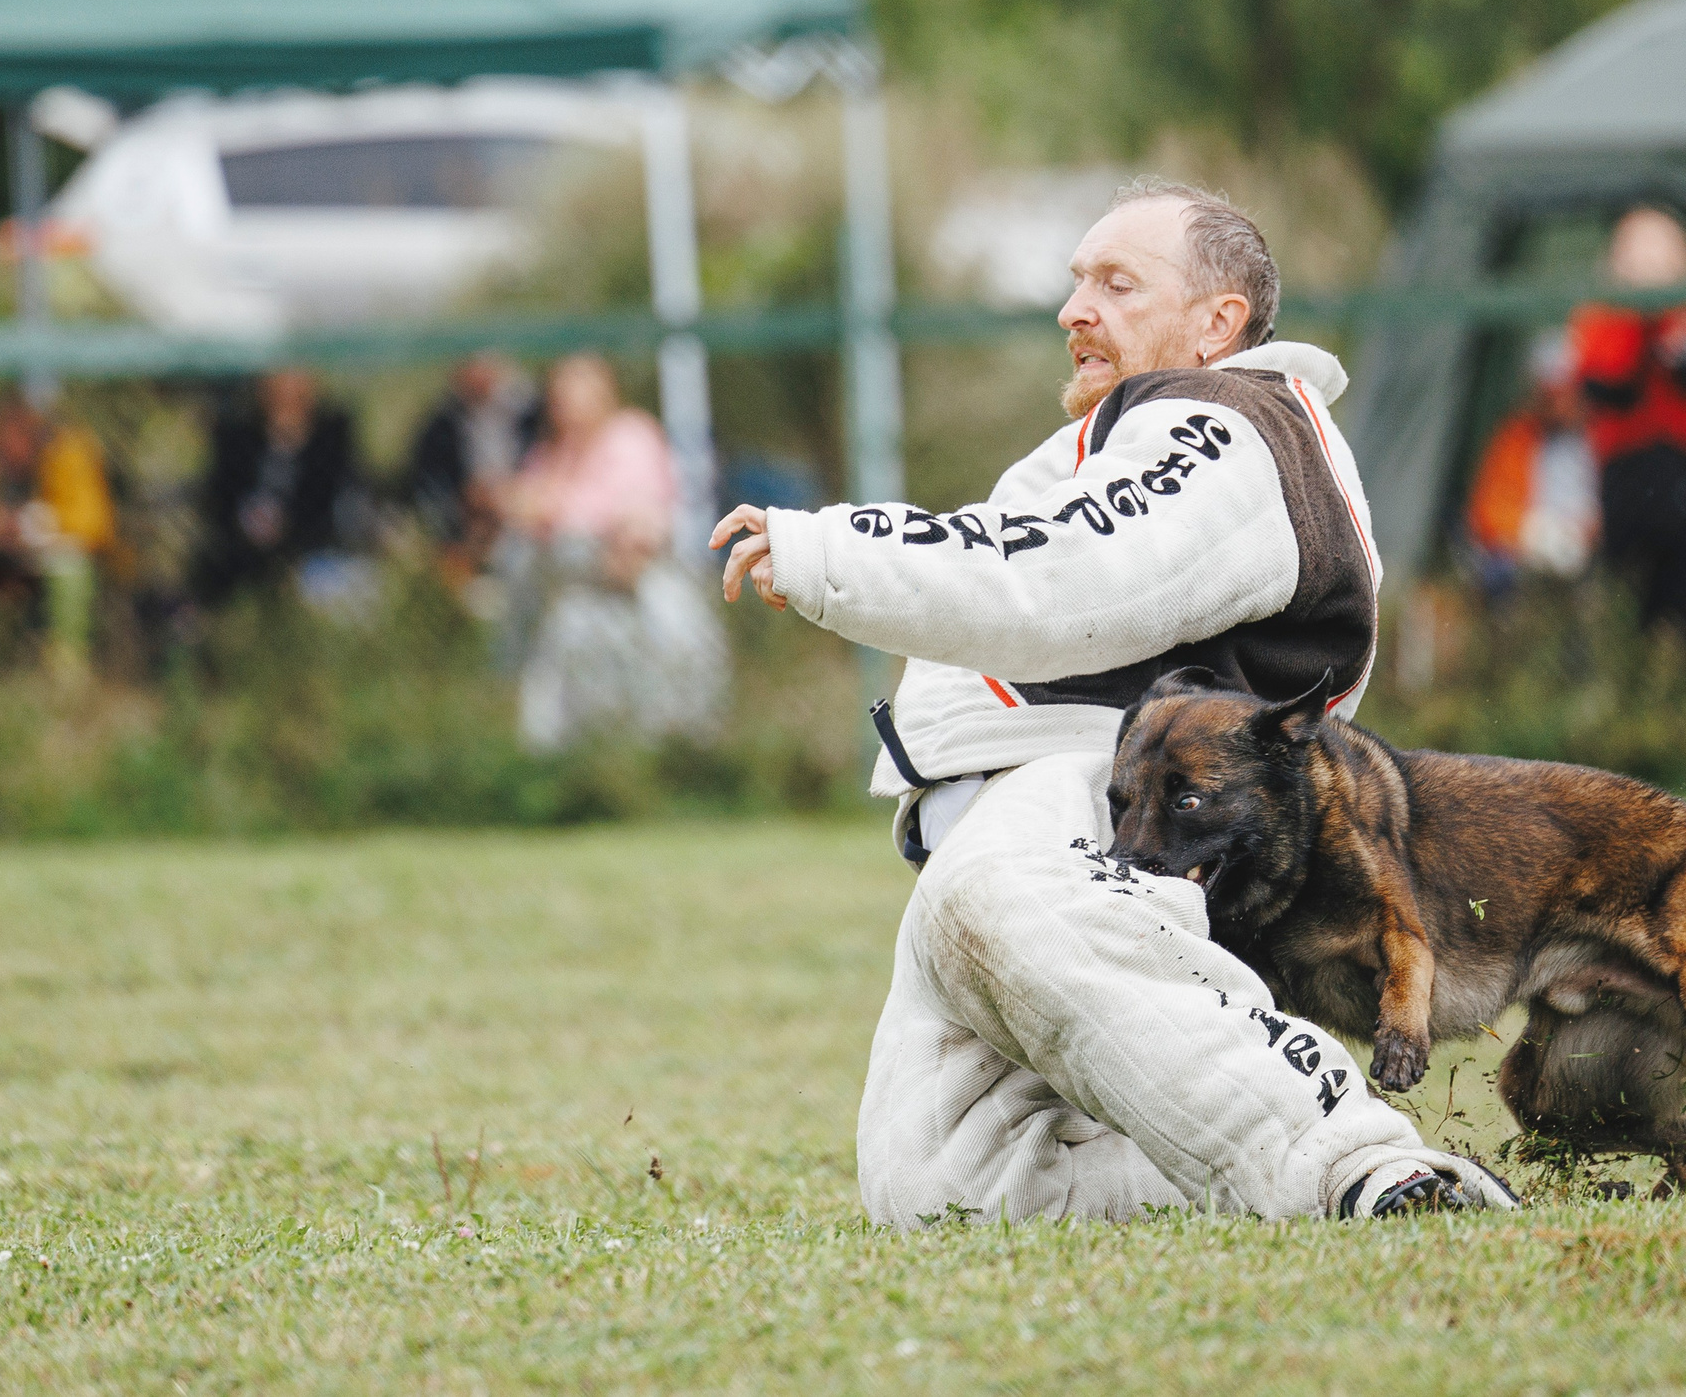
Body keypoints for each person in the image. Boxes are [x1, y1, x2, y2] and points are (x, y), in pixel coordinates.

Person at [711, 180, 1518, 1226]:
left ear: (1217, 321)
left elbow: (1066, 579)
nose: (1073, 309)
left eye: (1117, 283)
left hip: (1120, 793)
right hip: (1036, 811)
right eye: (1075, 280)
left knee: (991, 895)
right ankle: (1255, 1163)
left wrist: (834, 548)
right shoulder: (1153, 429)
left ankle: (1364, 1168)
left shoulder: (1233, 424)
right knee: (937, 1185)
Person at [498, 353, 725, 752]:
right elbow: (521, 505)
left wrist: (557, 513)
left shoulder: (631, 438)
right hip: (575, 600)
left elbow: (637, 523)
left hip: (640, 591)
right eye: (561, 397)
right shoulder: (555, 453)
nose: (568, 406)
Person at [1571, 206, 1686, 647]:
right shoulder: (1599, 314)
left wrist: (1670, 325)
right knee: (1627, 601)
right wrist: (1638, 320)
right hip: (1626, 476)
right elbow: (1606, 388)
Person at [0, 390, 116, 672]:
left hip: (44, 557)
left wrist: (39, 523)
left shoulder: (69, 449)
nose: (16, 443)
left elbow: (96, 525)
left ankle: (65, 667)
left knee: (71, 566)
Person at [190, 369, 366, 611]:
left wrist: (291, 525)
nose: (288, 388)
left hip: (313, 552)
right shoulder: (237, 438)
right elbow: (220, 499)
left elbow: (335, 499)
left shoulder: (333, 436)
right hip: (244, 557)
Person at [1461, 334, 1599, 590]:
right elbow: (1489, 510)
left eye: (1564, 394)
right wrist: (1537, 533)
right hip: (1525, 554)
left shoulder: (1600, 439)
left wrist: (1584, 534)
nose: (1557, 405)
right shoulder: (1516, 437)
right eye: (1548, 395)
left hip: (1587, 554)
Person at [406, 352, 542, 584]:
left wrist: (510, 495)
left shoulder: (533, 413)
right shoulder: (440, 426)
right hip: (461, 534)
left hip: (524, 526)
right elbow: (429, 491)